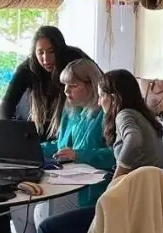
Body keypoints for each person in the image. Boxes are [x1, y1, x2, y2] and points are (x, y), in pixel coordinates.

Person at [34, 69, 163, 233]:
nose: (98, 101)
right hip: (141, 206)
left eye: (101, 95)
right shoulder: (144, 117)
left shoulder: (124, 115)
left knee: (47, 228)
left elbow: (133, 140)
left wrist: (117, 179)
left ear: (114, 98)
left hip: (123, 211)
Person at [42, 58, 116, 211]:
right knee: (23, 210)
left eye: (73, 85)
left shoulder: (106, 114)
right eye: (65, 85)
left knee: (43, 210)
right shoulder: (70, 110)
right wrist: (31, 149)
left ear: (93, 85)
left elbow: (116, 154)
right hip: (65, 180)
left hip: (92, 189)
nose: (66, 90)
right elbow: (61, 147)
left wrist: (79, 155)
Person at [0, 26, 89, 138]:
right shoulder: (27, 68)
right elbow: (6, 105)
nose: (46, 59)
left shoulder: (75, 58)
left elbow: (102, 84)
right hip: (38, 129)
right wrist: (9, 132)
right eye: (40, 52)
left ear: (60, 50)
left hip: (73, 127)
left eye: (51, 51)